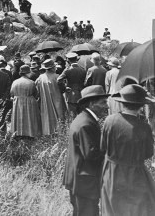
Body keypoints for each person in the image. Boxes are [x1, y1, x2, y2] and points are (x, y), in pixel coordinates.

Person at [101, 84, 155, 215]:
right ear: (141, 106)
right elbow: (149, 153)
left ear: (122, 104)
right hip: (134, 174)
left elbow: (103, 146)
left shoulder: (109, 120)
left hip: (111, 171)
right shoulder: (144, 127)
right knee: (138, 208)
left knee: (113, 207)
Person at [63, 85, 109, 216]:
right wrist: (111, 151)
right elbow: (91, 154)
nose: (107, 106)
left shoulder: (84, 119)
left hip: (80, 180)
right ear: (92, 104)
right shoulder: (86, 124)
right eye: (103, 102)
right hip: (84, 181)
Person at [35, 59, 65, 135]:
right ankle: (60, 131)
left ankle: (48, 132)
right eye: (55, 66)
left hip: (45, 100)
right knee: (59, 114)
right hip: (57, 99)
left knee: (47, 114)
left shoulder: (40, 78)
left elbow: (37, 91)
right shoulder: (57, 77)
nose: (56, 68)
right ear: (52, 68)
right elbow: (62, 88)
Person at [10, 65, 41, 138]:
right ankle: (30, 133)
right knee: (29, 117)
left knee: (19, 116)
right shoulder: (31, 82)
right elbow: (36, 94)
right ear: (27, 73)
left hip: (17, 102)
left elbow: (12, 93)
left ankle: (18, 133)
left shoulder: (15, 82)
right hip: (29, 101)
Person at [58, 53, 86, 118]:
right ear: (76, 60)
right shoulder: (83, 69)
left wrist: (64, 88)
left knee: (72, 115)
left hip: (71, 95)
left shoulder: (68, 70)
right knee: (81, 114)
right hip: (81, 94)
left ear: (68, 61)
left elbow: (59, 80)